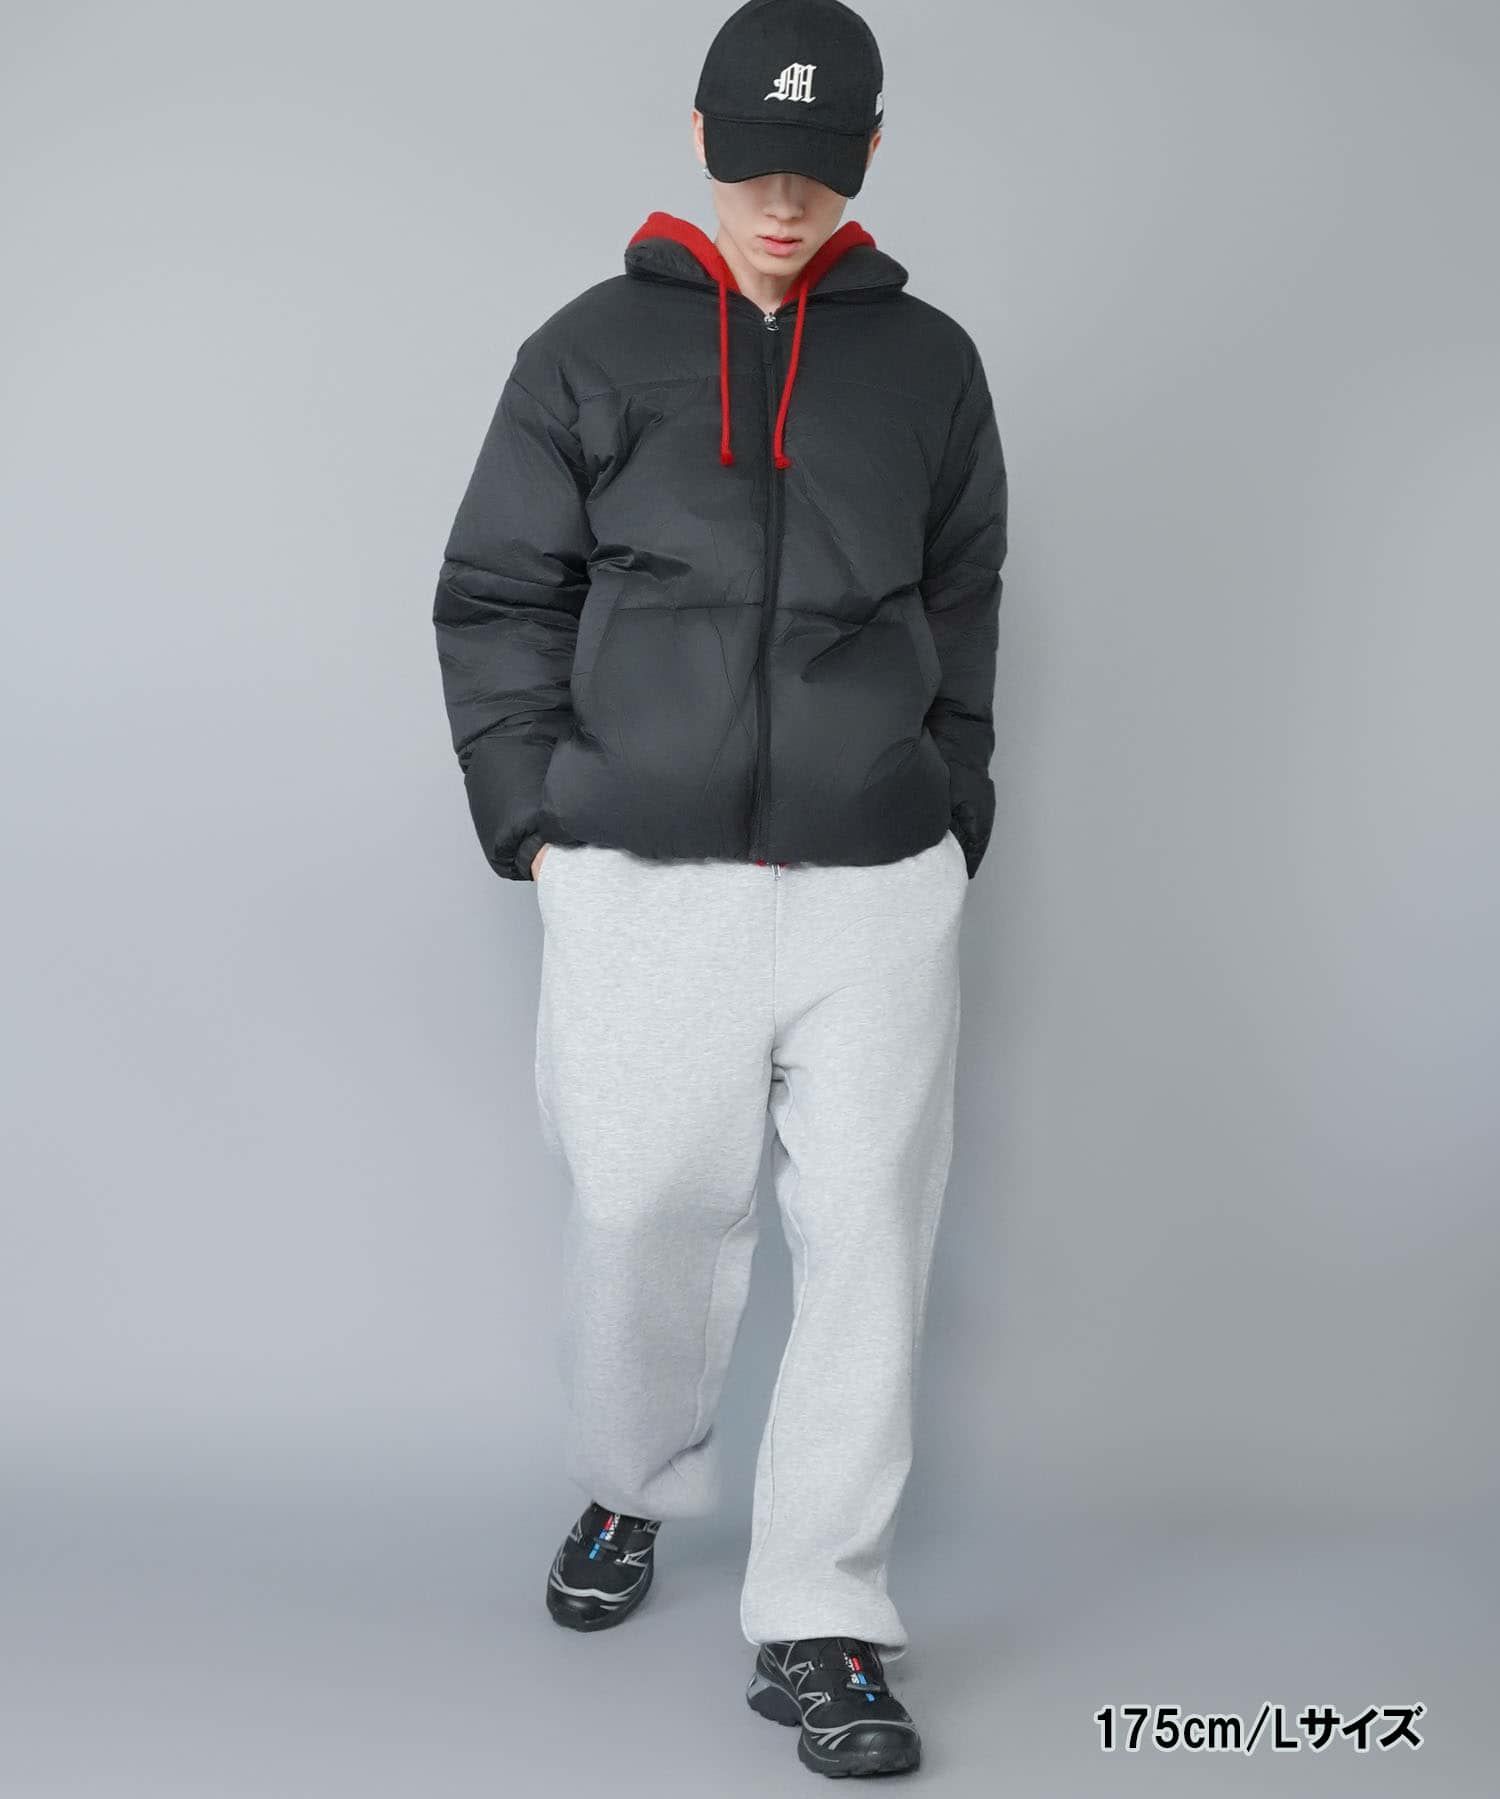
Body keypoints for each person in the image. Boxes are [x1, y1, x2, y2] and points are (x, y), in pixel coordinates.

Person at [432, 0, 1007, 1778]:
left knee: (870, 1244)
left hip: (873, 878)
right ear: (699, 140)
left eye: (818, 167)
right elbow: (497, 595)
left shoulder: (930, 365)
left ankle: (823, 1616)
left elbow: (966, 595)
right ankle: (631, 1484)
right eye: (755, 161)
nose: (782, 199)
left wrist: (954, 802)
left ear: (869, 157)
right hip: (641, 874)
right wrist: (537, 818)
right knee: (643, 1207)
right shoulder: (585, 350)